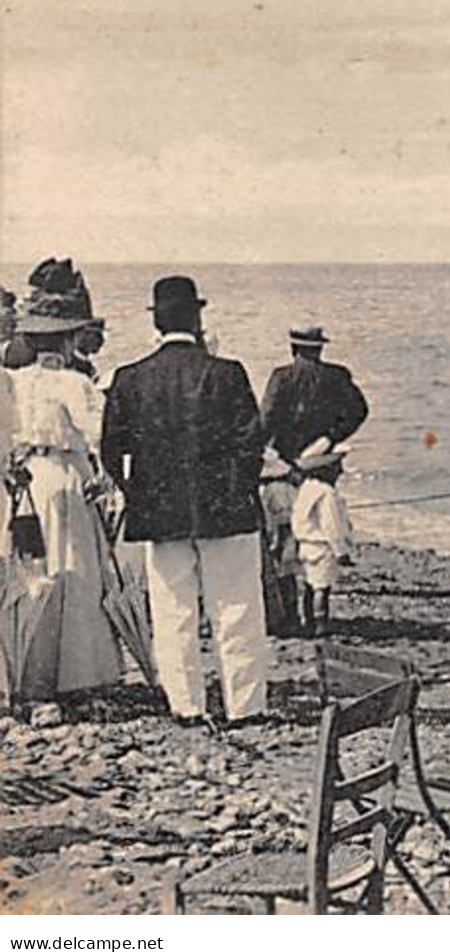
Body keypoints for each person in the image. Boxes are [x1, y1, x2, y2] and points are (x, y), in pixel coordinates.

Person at [101, 276, 270, 727]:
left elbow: (110, 451)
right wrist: (242, 487)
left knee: (174, 611)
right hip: (227, 510)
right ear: (197, 319)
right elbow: (252, 443)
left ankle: (186, 706)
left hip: (159, 512)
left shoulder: (129, 378)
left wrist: (136, 493)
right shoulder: (227, 372)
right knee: (236, 608)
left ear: (157, 322)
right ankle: (245, 707)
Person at [5, 290, 124, 698]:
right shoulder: (75, 384)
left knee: (30, 572)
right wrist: (108, 477)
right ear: (71, 339)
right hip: (63, 474)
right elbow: (99, 435)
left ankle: (25, 668)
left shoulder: (14, 381)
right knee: (72, 568)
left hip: (22, 478)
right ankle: (75, 672)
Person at [260, 326, 370, 465]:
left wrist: (263, 448)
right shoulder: (338, 375)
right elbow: (359, 411)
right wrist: (332, 437)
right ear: (320, 350)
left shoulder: (281, 377)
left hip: (286, 454)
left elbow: (267, 417)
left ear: (293, 349)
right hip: (324, 451)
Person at [290, 438, 354, 638]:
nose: (341, 471)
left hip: (305, 545)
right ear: (325, 469)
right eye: (337, 466)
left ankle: (309, 620)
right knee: (322, 588)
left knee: (310, 585)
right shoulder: (327, 493)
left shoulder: (306, 488)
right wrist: (341, 551)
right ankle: (320, 624)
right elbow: (331, 526)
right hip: (321, 546)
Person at [258, 450, 301, 639]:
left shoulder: (270, 490)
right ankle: (287, 619)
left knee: (276, 579)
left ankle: (280, 619)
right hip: (282, 539)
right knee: (284, 579)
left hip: (279, 538)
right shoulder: (279, 489)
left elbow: (278, 522)